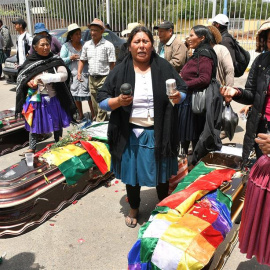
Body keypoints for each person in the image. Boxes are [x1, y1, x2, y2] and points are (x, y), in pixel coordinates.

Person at [97, 26, 187, 228]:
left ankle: (162, 206)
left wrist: (178, 97)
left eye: (145, 41)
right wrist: (118, 101)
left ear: (152, 45)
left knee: (161, 173)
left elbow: (183, 90)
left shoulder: (163, 66)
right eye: (136, 42)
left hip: (159, 131)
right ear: (129, 46)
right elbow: (101, 99)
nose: (141, 46)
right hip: (130, 133)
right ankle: (135, 207)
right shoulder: (120, 70)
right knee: (132, 175)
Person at [15, 35, 77, 155]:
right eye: (42, 45)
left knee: (57, 121)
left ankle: (58, 141)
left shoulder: (55, 60)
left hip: (53, 97)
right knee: (33, 123)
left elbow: (64, 75)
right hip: (35, 99)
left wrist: (47, 78)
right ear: (35, 47)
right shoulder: (30, 62)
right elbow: (22, 77)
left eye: (47, 44)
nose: (45, 47)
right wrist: (28, 83)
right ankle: (32, 148)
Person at [220, 50, 270, 166]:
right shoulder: (262, 60)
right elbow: (252, 94)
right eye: (269, 40)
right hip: (261, 124)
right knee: (261, 168)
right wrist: (237, 92)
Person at [178, 25, 218, 160]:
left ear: (202, 38)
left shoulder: (205, 54)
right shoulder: (199, 52)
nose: (189, 38)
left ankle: (193, 166)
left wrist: (183, 84)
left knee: (195, 136)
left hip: (195, 102)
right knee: (190, 136)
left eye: (192, 35)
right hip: (190, 100)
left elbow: (204, 79)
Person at [78, 18, 116, 122]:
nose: (93, 32)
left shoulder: (108, 45)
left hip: (104, 78)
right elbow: (82, 60)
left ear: (102, 31)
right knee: (95, 105)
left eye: (95, 30)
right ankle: (103, 123)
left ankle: (99, 126)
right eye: (91, 30)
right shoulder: (87, 45)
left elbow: (112, 63)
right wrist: (79, 73)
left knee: (101, 106)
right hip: (92, 78)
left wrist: (111, 79)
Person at [60, 23, 95, 121]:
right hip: (74, 75)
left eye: (80, 34)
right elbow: (61, 60)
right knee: (76, 96)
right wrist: (70, 58)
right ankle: (80, 114)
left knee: (89, 96)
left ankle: (93, 114)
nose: (79, 36)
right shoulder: (66, 46)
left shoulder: (85, 44)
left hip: (86, 74)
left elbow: (92, 57)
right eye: (76, 34)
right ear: (71, 36)